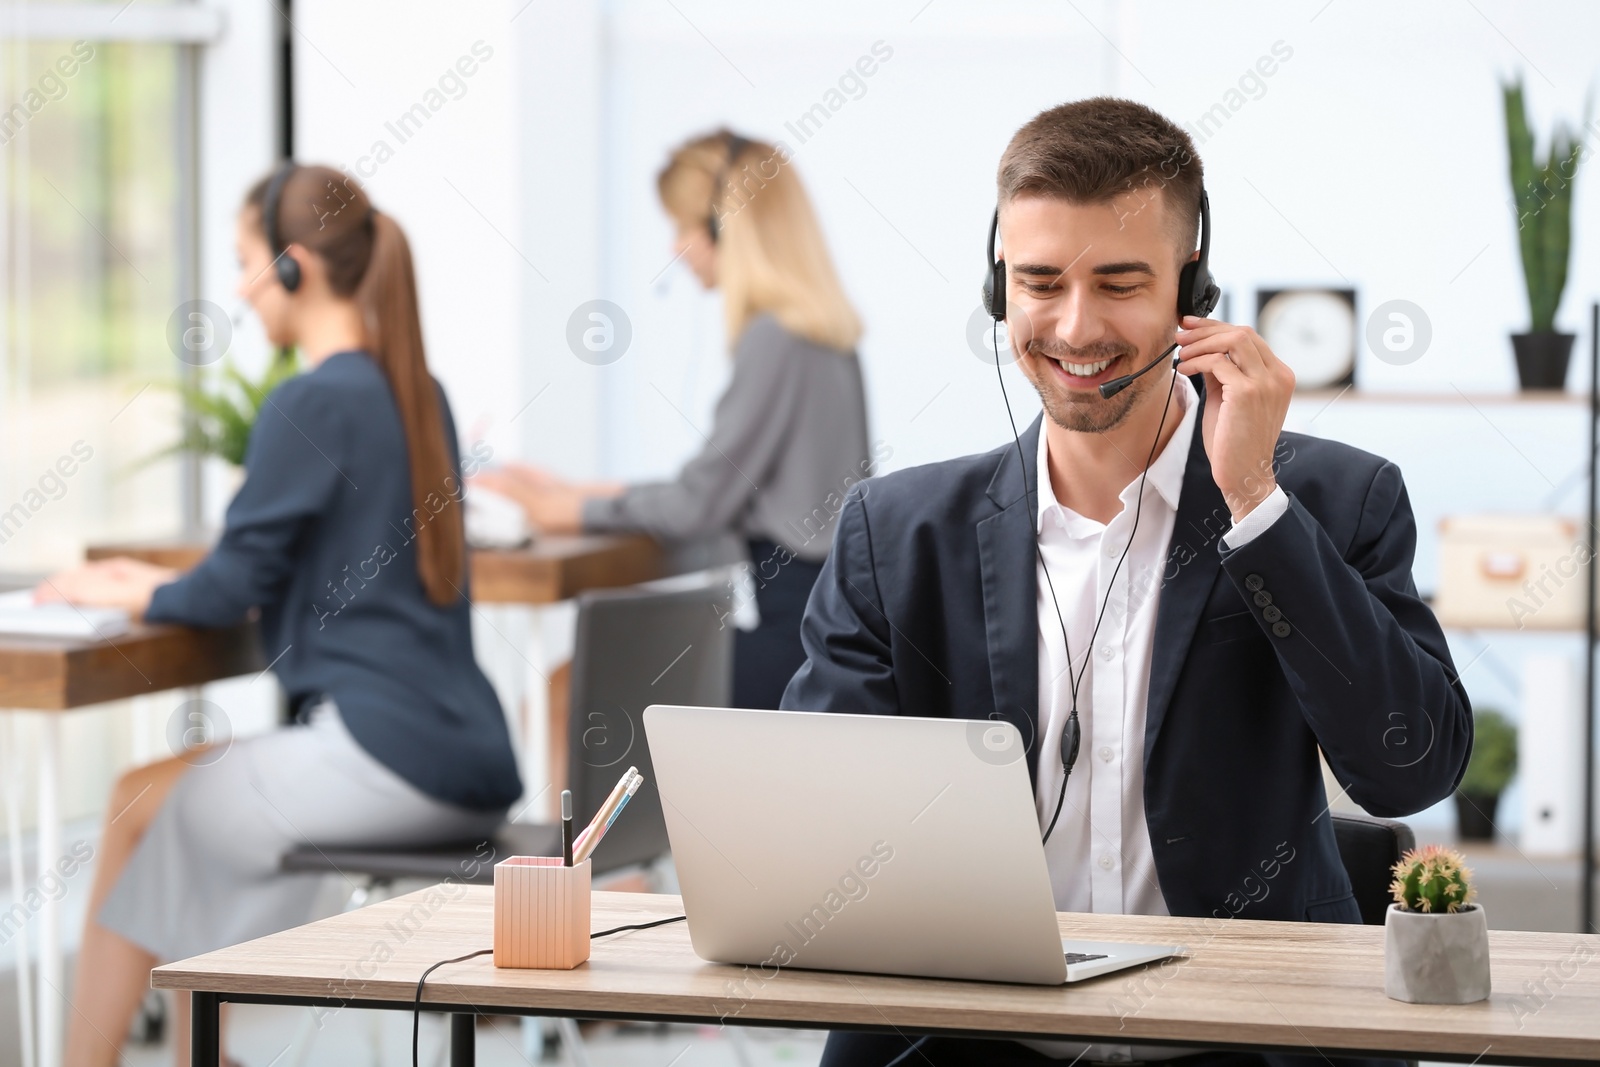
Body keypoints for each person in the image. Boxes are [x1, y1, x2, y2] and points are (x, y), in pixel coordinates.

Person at [784, 99, 1471, 1067]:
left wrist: (1254, 501)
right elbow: (813, 830)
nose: (1075, 325)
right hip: (973, 1046)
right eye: (1039, 281)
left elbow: (1412, 766)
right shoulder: (895, 534)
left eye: (1118, 282)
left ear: (1192, 294)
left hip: (1243, 1046)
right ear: (998, 290)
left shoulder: (1330, 498)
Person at [42, 163, 522, 1067]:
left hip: (384, 761)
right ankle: (200, 1052)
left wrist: (131, 587)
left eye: (247, 262)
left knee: (138, 800)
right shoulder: (419, 389)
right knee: (157, 802)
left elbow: (229, 587)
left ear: (296, 269)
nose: (239, 287)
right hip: (469, 755)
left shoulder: (311, 400)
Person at [475, 129, 874, 709]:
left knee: (566, 689)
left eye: (685, 227)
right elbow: (721, 486)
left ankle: (583, 808)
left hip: (796, 642)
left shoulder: (774, 339)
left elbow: (700, 504)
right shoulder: (824, 335)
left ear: (724, 230)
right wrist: (579, 490)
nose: (676, 247)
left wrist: (572, 509)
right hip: (825, 630)